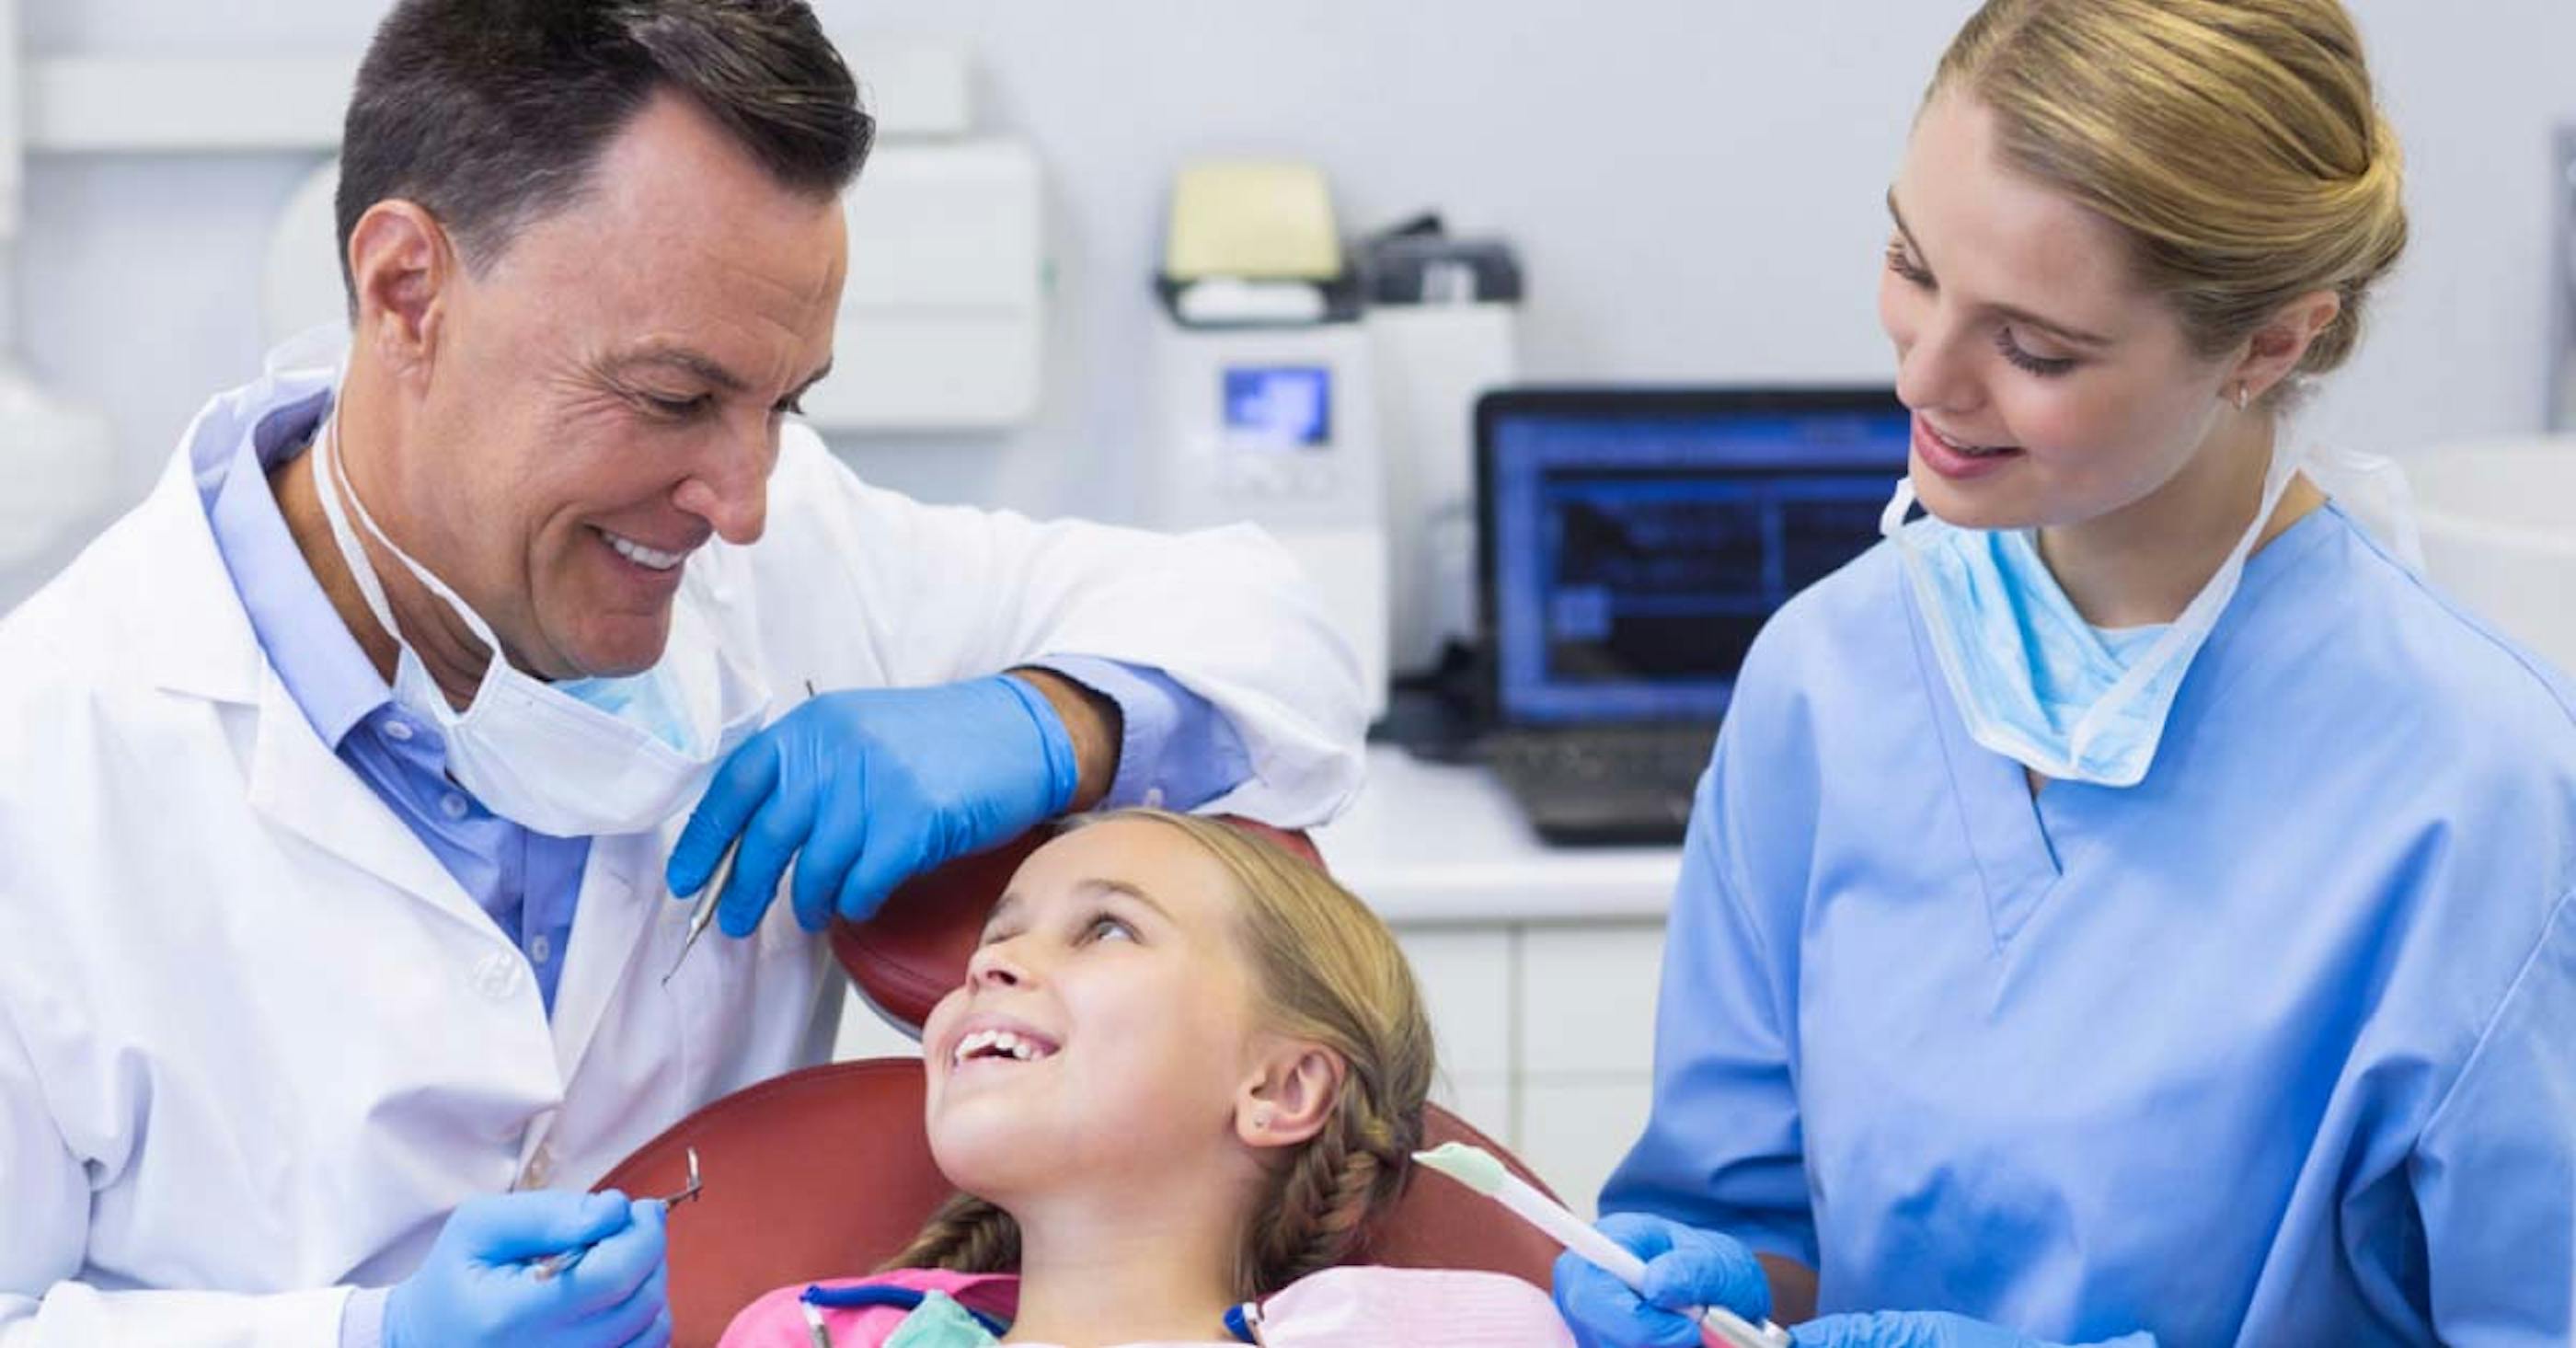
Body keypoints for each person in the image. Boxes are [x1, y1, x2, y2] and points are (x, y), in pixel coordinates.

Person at [0, 4, 1364, 1346]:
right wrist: (365, 1337)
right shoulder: (50, 763)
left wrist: (1049, 722)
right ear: (407, 290)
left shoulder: (795, 564)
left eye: (786, 404)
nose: (744, 501)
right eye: (672, 398)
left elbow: (1279, 636)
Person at [1552, 2, 2576, 1346]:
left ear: (2269, 343)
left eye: (2034, 349)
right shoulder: (1826, 677)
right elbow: (1757, 1224)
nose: (1924, 375)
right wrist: (1706, 1288)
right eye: (1911, 266)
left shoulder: (2483, 786)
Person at [717, 809, 1571, 1347]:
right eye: (996, 936)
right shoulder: (818, 1334)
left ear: (1281, 1089)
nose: (994, 964)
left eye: (1108, 931)